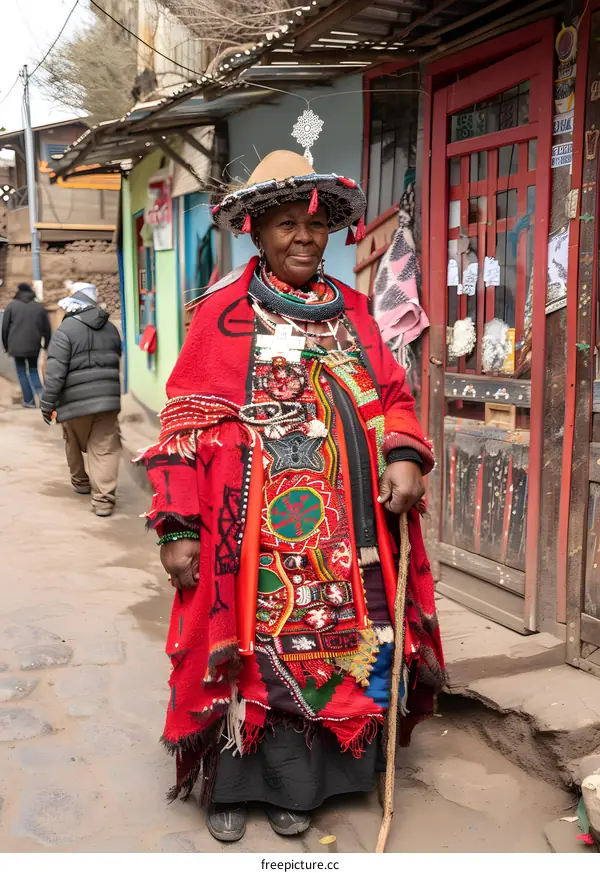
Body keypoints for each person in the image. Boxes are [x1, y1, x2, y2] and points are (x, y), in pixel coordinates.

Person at [137, 151, 445, 843]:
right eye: (285, 225)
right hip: (245, 543)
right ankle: (228, 789)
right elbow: (182, 425)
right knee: (245, 652)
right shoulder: (221, 317)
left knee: (334, 654)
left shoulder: (358, 316)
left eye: (314, 227)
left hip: (346, 544)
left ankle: (306, 787)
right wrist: (178, 525)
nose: (303, 238)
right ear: (257, 231)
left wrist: (401, 451)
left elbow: (395, 396)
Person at [40, 282, 122, 517]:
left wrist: (47, 404)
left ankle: (81, 482)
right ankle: (104, 500)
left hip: (74, 403)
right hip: (108, 401)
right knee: (104, 448)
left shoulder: (65, 331)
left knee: (73, 441)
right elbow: (116, 357)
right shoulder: (111, 328)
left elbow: (55, 372)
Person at [1, 282, 51, 408]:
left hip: (16, 346)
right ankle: (42, 398)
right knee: (34, 370)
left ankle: (29, 401)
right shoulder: (39, 307)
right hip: (34, 345)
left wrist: (6, 346)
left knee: (22, 372)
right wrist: (46, 345)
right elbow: (47, 328)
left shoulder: (12, 306)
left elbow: (5, 328)